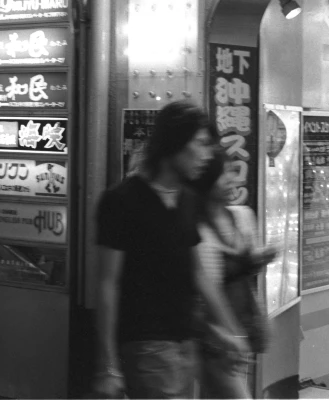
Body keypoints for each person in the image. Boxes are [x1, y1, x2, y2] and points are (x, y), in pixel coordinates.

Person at [92, 101, 250, 399]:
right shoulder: (121, 201)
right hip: (145, 345)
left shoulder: (188, 200)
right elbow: (107, 285)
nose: (207, 156)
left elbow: (198, 274)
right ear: (174, 142)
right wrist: (107, 365)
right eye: (201, 144)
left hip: (186, 342)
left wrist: (233, 331)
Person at [192, 151, 278, 399]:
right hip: (215, 336)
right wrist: (224, 333)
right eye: (224, 173)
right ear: (207, 181)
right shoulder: (196, 230)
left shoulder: (242, 217)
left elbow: (245, 272)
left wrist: (257, 259)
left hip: (242, 328)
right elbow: (204, 287)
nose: (232, 179)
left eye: (232, 171)